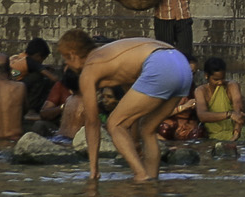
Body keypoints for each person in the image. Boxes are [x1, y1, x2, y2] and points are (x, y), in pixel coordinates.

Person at [60, 33, 195, 182]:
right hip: (182, 64)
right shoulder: (112, 55)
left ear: (73, 55)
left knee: (114, 124)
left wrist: (94, 169)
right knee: (148, 129)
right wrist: (135, 141)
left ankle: (141, 175)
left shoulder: (90, 69)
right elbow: (133, 111)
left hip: (160, 64)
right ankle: (151, 182)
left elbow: (92, 122)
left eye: (65, 59)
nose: (67, 65)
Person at [193, 57, 244, 142]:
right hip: (214, 136)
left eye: (222, 78)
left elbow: (239, 112)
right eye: (216, 79)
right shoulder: (200, 91)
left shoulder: (232, 86)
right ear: (206, 76)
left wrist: (236, 133)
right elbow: (202, 116)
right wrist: (229, 114)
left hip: (238, 133)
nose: (220, 82)